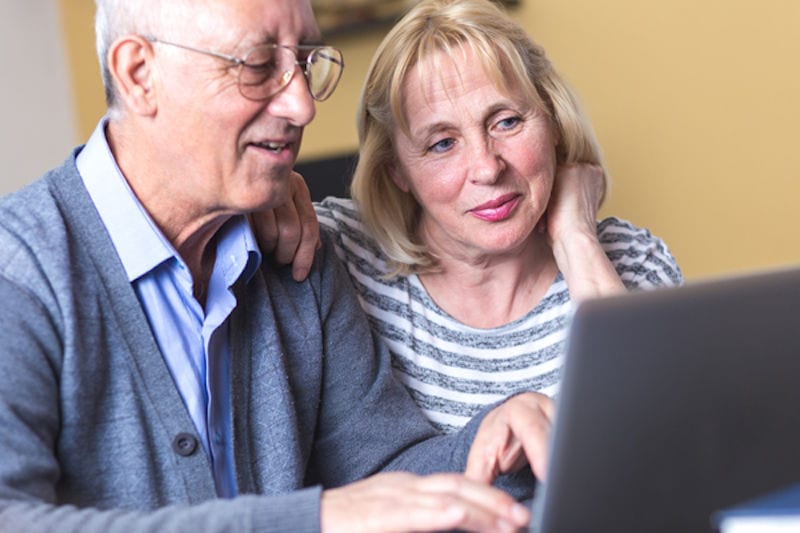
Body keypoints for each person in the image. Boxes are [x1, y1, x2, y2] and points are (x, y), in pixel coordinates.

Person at [0, 1, 555, 531]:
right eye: (260, 66)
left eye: (305, 62)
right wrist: (314, 520)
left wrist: (492, 442)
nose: (303, 106)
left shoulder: (295, 257)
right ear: (140, 74)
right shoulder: (21, 272)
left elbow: (383, 468)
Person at [266, 0, 683, 433]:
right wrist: (266, 201)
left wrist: (576, 237)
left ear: (554, 121)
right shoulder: (335, 256)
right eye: (442, 144)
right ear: (397, 171)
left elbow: (661, 441)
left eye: (506, 122)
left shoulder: (631, 261)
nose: (487, 168)